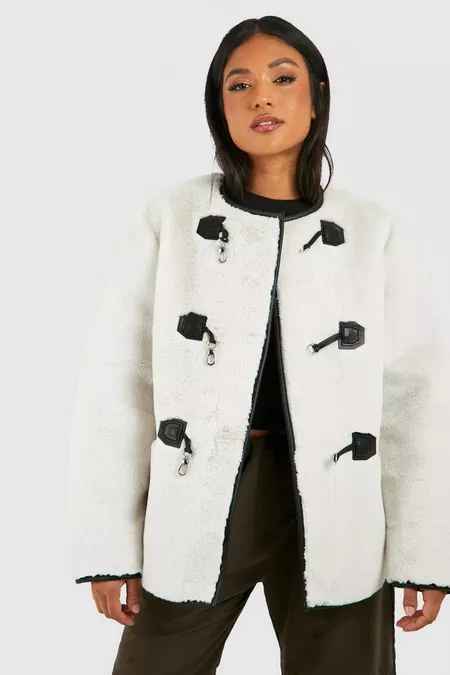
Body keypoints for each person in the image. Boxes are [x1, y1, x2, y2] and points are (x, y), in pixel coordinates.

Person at [68, 15, 450, 675]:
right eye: (238, 85)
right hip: (202, 491)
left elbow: (415, 398)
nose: (261, 98)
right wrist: (111, 546)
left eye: (282, 79)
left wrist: (424, 553)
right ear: (218, 107)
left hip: (339, 506)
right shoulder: (172, 219)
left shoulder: (372, 230)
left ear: (317, 96)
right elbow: (120, 382)